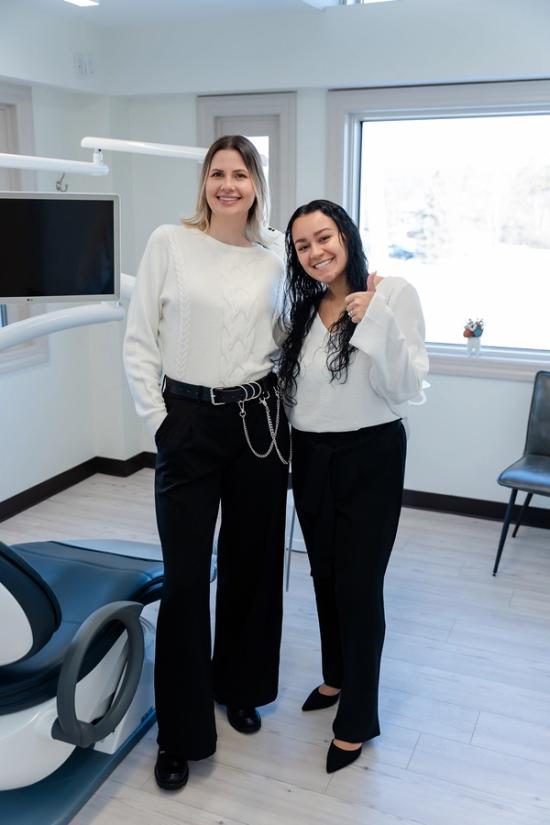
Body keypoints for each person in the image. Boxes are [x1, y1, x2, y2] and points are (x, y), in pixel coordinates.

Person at [123, 135, 290, 791]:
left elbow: (295, 334)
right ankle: (180, 733)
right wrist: (162, 425)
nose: (228, 184)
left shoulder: (275, 253)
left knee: (253, 564)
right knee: (187, 579)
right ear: (205, 182)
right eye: (218, 173)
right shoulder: (170, 241)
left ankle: (241, 685)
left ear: (255, 184)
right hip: (187, 420)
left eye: (240, 174)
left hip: (257, 422)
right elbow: (139, 339)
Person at [278, 199, 428, 774]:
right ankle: (337, 676)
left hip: (371, 454)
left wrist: (375, 321)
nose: (315, 252)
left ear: (346, 235)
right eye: (302, 245)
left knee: (360, 587)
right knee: (325, 577)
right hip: (310, 457)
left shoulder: (392, 294)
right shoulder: (303, 310)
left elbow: (405, 386)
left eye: (324, 237)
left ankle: (358, 719)